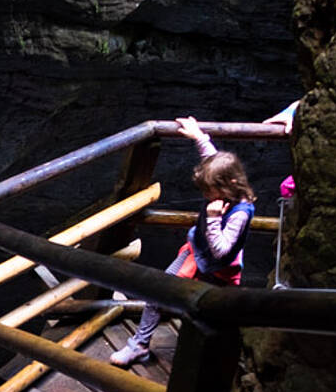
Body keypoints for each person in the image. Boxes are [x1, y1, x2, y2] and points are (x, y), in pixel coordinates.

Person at [109, 115, 260, 366]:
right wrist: (199, 136)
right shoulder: (223, 182)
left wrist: (212, 219)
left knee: (210, 313)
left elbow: (222, 252)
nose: (205, 196)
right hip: (193, 254)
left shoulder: (240, 214)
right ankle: (139, 346)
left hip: (217, 270)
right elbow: (212, 160)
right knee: (156, 293)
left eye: (209, 192)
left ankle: (216, 361)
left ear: (230, 185)